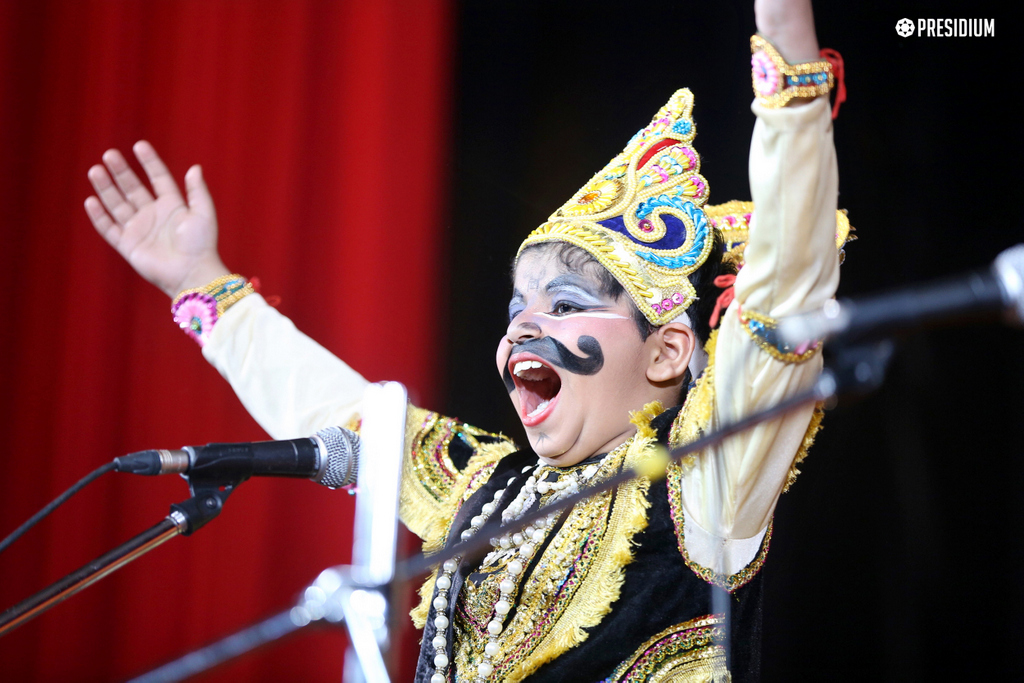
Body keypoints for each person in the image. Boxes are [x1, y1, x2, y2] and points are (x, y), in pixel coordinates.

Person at [84, 1, 849, 680]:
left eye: (566, 304)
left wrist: (786, 43)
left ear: (666, 352)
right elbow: (336, 408)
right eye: (518, 307)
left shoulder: (704, 485)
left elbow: (784, 287)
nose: (524, 325)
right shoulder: (482, 492)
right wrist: (201, 282)